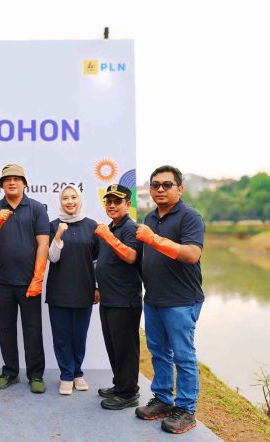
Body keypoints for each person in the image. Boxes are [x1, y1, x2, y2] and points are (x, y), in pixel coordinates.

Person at [134, 165, 205, 434]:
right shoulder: (150, 217)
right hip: (153, 299)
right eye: (155, 185)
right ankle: (163, 399)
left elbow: (191, 255)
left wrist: (153, 239)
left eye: (166, 184)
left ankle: (186, 409)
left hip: (181, 300)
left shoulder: (190, 217)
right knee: (159, 352)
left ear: (180, 188)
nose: (160, 189)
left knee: (184, 357)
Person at [0, 164, 50, 393]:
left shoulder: (37, 208)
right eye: (7, 179)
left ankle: (35, 375)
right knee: (6, 329)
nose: (12, 182)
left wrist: (38, 277)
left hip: (29, 282)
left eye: (16, 179)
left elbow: (43, 245)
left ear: (24, 183)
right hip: (2, 282)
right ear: (2, 184)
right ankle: (10, 372)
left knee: (33, 330)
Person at [45, 184, 99, 395]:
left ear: (79, 200)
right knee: (61, 336)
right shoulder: (52, 225)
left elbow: (96, 261)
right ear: (60, 201)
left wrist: (97, 286)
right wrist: (58, 236)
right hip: (59, 291)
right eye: (65, 198)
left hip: (84, 290)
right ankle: (66, 375)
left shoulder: (91, 225)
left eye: (73, 197)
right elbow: (52, 257)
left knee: (79, 335)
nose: (69, 201)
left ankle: (78, 372)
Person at [93, 184, 143, 410]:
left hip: (125, 300)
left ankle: (129, 393)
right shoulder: (111, 228)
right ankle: (120, 384)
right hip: (109, 298)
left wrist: (106, 235)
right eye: (109, 201)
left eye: (117, 201)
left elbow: (131, 256)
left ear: (128, 204)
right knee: (114, 346)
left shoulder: (129, 228)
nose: (112, 205)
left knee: (125, 348)